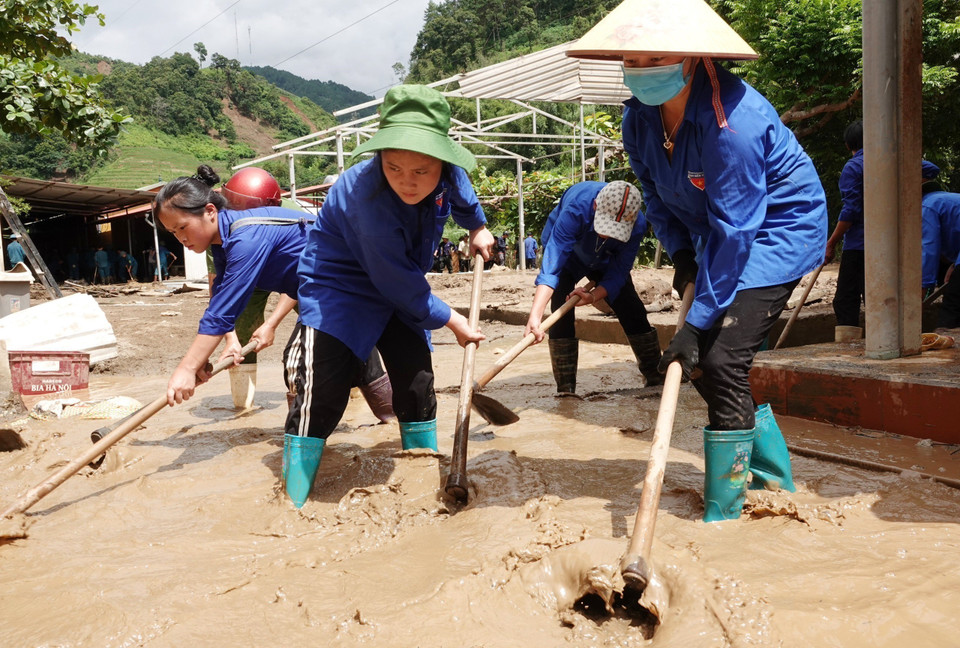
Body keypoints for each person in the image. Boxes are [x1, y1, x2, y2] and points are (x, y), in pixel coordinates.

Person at [568, 0, 827, 522]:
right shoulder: (637, 119)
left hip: (776, 233)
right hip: (717, 235)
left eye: (654, 58)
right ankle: (772, 476)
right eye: (632, 61)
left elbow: (738, 232)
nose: (640, 71)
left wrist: (697, 322)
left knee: (719, 359)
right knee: (707, 365)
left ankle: (726, 512)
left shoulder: (734, 125)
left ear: (690, 56)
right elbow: (656, 194)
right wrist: (683, 255)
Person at [289, 84, 495, 508]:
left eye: (421, 171)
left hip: (401, 287)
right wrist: (454, 321)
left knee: (417, 385)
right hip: (340, 291)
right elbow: (397, 282)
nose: (407, 181)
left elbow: (462, 194)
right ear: (379, 156)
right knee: (321, 400)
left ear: (441, 161)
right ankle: (294, 503)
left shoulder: (449, 174)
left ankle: (424, 486)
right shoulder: (364, 196)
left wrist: (477, 226)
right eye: (394, 166)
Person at [211, 165, 395, 417]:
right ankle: (243, 409)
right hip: (251, 279)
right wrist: (230, 339)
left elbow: (306, 279)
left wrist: (272, 323)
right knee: (247, 336)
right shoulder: (218, 229)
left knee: (337, 337)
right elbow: (219, 296)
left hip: (306, 280)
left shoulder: (291, 214)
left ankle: (372, 406)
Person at [524, 181, 663, 393]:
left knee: (630, 306)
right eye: (605, 227)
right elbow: (552, 268)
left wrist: (594, 296)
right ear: (596, 206)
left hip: (605, 260)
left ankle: (655, 376)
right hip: (568, 256)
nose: (607, 234)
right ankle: (566, 389)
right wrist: (535, 316)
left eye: (616, 231)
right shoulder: (576, 209)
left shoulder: (637, 226)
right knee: (561, 311)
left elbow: (618, 274)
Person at [825, 120, 866, 342]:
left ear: (848, 144)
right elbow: (931, 169)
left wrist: (831, 243)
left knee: (845, 300)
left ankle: (848, 350)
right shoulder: (891, 160)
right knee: (877, 297)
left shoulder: (854, 167)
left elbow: (850, 211)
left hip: (860, 245)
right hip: (891, 244)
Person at [920, 161, 960, 328]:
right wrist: (955, 264)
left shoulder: (928, 206)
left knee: (953, 304)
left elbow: (930, 249)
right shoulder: (944, 199)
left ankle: (943, 342)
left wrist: (922, 288)